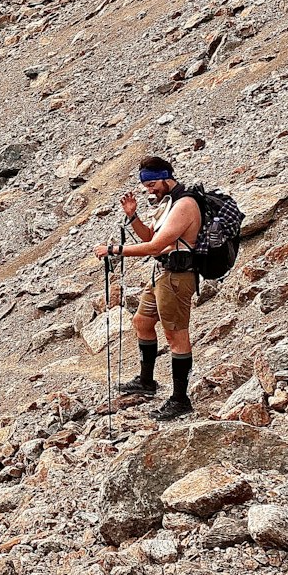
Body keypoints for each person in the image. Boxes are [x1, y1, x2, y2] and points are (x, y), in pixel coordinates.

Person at [94, 155, 202, 420]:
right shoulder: (168, 204)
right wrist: (133, 217)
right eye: (146, 186)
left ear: (166, 177)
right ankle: (146, 382)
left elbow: (153, 247)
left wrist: (114, 250)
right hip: (161, 273)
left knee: (176, 337)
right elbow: (150, 237)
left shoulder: (185, 204)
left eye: (152, 184)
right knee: (142, 322)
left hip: (177, 276)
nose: (149, 190)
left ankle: (180, 399)